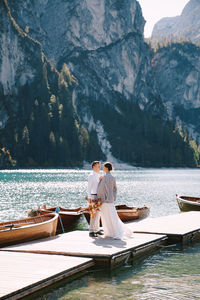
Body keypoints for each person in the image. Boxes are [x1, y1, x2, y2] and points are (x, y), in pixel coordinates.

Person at [97, 162, 132, 239]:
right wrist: (113, 198)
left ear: (106, 168)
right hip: (111, 200)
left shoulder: (104, 178)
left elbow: (100, 189)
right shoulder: (113, 177)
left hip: (105, 200)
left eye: (103, 167)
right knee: (113, 216)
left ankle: (110, 233)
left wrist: (99, 198)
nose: (102, 168)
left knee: (106, 217)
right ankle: (116, 232)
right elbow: (115, 189)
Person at [87, 161, 104, 237]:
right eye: (97, 166)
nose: (99, 167)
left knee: (98, 214)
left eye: (99, 166)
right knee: (93, 214)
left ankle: (96, 230)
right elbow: (89, 188)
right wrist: (89, 197)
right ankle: (91, 231)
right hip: (93, 196)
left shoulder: (98, 175)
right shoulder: (91, 175)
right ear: (93, 167)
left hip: (98, 197)